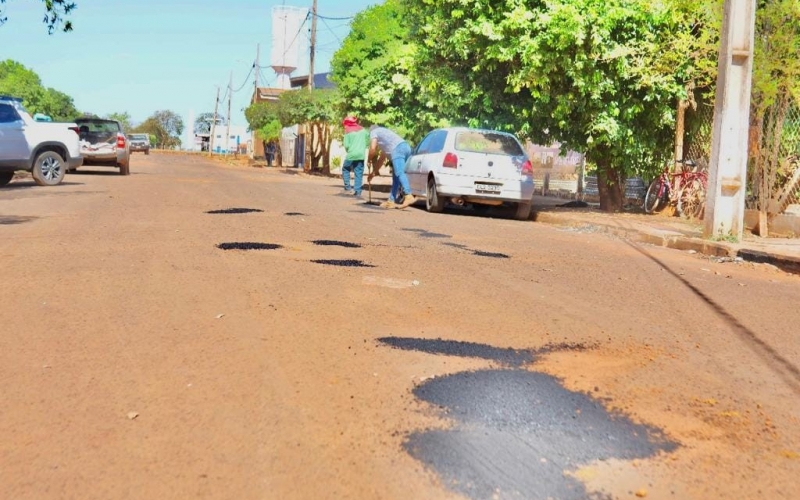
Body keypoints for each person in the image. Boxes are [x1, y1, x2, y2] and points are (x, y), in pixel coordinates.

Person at [368, 125, 416, 208]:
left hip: (398, 149)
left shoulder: (374, 132)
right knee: (396, 177)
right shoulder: (385, 137)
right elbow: (381, 160)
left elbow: (372, 149)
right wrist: (373, 173)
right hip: (406, 147)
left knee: (399, 172)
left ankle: (408, 195)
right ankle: (391, 201)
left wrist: (369, 159)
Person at [341, 116, 370, 197]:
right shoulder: (363, 130)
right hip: (361, 155)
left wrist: (349, 150)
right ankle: (358, 191)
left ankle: (348, 188)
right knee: (358, 172)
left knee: (345, 169)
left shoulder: (347, 130)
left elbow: (346, 145)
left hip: (351, 155)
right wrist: (364, 147)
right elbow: (368, 140)